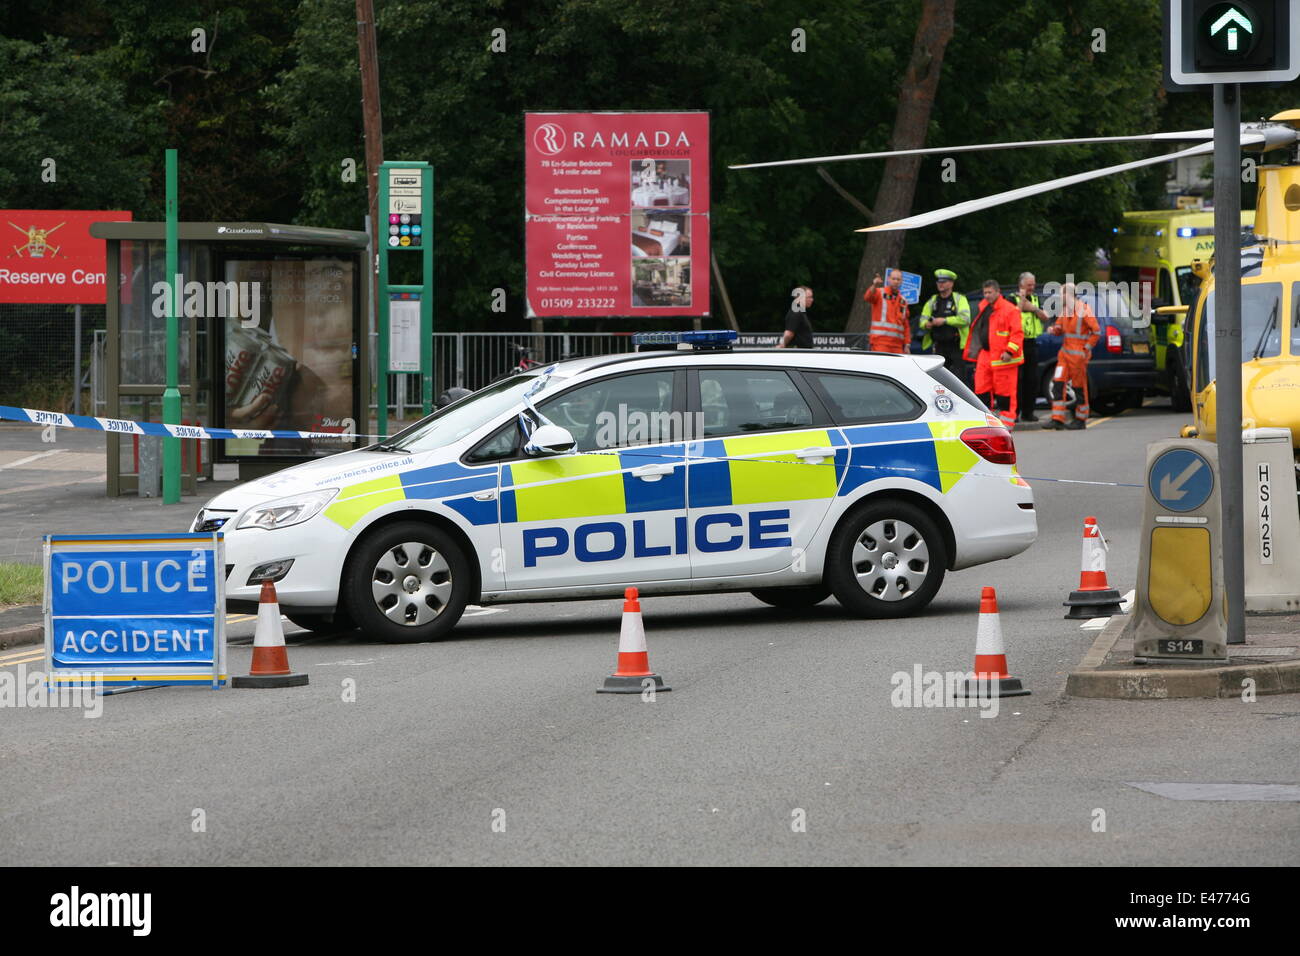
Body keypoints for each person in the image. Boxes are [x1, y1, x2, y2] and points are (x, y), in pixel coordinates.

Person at [963, 279, 1024, 429]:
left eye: (990, 292)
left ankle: (1007, 424)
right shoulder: (984, 307)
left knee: (1005, 392)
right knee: (981, 387)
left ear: (998, 292)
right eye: (985, 292)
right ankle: (987, 422)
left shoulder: (1010, 310)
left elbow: (1017, 334)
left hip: (1004, 357)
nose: (987, 295)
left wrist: (1010, 351)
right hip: (985, 354)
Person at [1043, 282, 1100, 431]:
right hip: (1065, 354)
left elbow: (1096, 332)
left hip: (1078, 357)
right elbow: (1060, 328)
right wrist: (1053, 329)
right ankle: (1058, 419)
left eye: (1061, 294)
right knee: (1058, 383)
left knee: (1079, 387)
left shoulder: (1084, 310)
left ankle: (1080, 419)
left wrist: (1085, 349)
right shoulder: (1065, 311)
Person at [1008, 271, 1048, 423]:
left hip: (1032, 343)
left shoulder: (1035, 299)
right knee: (1017, 380)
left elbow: (1045, 317)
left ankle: (1028, 412)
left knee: (1032, 380)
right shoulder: (1012, 298)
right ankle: (1015, 413)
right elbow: (1011, 316)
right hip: (1017, 344)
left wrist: (1033, 308)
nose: (1032, 287)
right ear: (1021, 285)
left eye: (1033, 284)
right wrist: (1021, 303)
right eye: (1029, 284)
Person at [919, 268, 970, 374]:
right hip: (938, 346)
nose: (940, 284)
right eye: (938, 282)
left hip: (956, 346)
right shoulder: (933, 300)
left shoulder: (959, 299)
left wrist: (945, 320)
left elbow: (965, 319)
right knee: (939, 379)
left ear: (951, 284)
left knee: (959, 378)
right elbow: (922, 320)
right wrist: (927, 324)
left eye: (943, 282)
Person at [863, 269, 910, 353]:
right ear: (888, 279)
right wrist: (874, 285)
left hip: (897, 346)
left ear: (901, 281)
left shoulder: (903, 301)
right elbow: (867, 297)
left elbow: (905, 325)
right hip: (880, 342)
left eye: (898, 279)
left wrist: (907, 344)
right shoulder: (880, 292)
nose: (895, 281)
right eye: (893, 279)